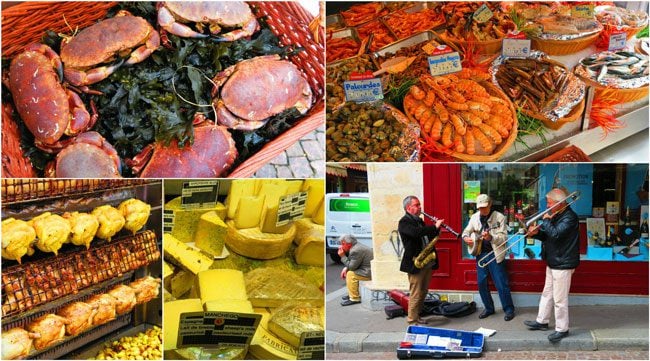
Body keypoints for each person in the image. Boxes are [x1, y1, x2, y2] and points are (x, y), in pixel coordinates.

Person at [524, 188, 580, 342]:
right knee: (547, 293)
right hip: (553, 261)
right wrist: (537, 234)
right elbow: (549, 236)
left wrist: (546, 221)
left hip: (563, 263)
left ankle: (562, 329)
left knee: (560, 299)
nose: (547, 206)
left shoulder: (570, 217)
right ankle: (542, 321)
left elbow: (556, 235)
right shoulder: (557, 215)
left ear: (559, 203)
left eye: (549, 203)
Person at [462, 194, 515, 321]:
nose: (482, 210)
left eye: (485, 207)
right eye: (480, 208)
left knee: (501, 283)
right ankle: (489, 308)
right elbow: (466, 231)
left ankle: (509, 310)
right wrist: (466, 238)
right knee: (481, 283)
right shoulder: (474, 217)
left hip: (495, 254)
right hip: (480, 254)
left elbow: (504, 238)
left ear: (490, 204)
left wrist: (491, 237)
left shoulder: (499, 217)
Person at [398, 195, 443, 325]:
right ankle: (412, 320)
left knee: (423, 291)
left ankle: (417, 316)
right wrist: (434, 226)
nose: (420, 207)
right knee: (416, 293)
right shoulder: (404, 222)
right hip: (415, 262)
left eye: (419, 205)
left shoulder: (419, 221)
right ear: (408, 207)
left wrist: (437, 229)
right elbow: (416, 233)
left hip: (426, 260)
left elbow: (426, 235)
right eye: (417, 205)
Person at [338, 234, 374, 306]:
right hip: (368, 269)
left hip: (368, 272)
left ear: (348, 244)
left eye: (342, 244)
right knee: (349, 272)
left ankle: (354, 298)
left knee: (351, 274)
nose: (341, 247)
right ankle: (352, 294)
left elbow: (352, 267)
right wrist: (346, 268)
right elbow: (353, 263)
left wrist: (343, 256)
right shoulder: (357, 246)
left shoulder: (355, 250)